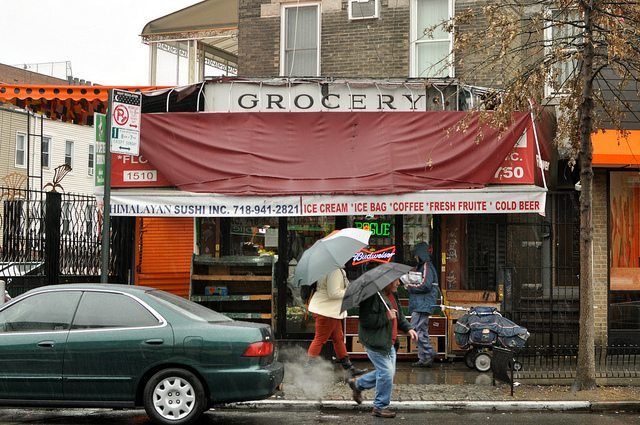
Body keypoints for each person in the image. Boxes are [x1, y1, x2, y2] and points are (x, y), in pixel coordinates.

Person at [347, 278, 418, 418]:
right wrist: (385, 316)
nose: (399, 283)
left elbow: (400, 316)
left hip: (389, 342)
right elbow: (366, 320)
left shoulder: (393, 295)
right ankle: (379, 407)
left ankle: (358, 384)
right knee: (386, 373)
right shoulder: (371, 297)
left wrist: (408, 329)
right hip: (376, 342)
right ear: (387, 282)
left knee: (386, 373)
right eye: (396, 281)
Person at [307, 268, 365, 377]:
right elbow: (333, 293)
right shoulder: (334, 271)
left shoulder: (332, 269)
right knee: (320, 339)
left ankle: (349, 368)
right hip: (327, 310)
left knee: (338, 338)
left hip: (329, 310)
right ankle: (308, 370)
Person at [406, 242, 440, 368]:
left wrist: (410, 287)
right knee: (422, 331)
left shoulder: (426, 266)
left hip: (422, 304)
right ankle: (424, 358)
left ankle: (428, 352)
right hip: (422, 304)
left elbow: (425, 285)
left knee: (415, 330)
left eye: (416, 255)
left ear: (420, 254)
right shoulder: (424, 266)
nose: (415, 257)